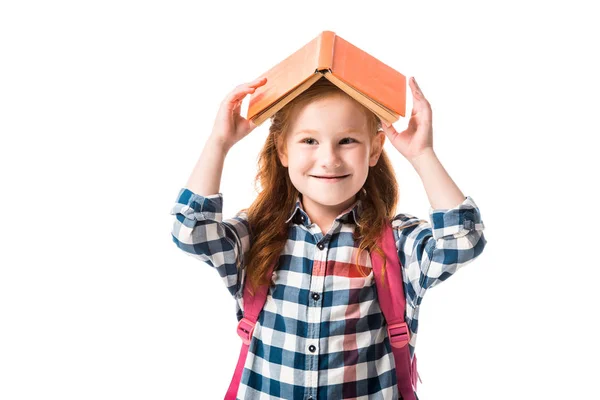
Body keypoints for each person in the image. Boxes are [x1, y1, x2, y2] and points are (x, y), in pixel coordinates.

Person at [170, 75, 487, 399]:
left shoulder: (395, 243)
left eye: (347, 140)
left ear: (375, 149)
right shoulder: (258, 236)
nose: (329, 159)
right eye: (309, 141)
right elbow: (192, 231)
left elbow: (462, 241)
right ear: (283, 149)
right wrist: (218, 142)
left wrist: (422, 155)